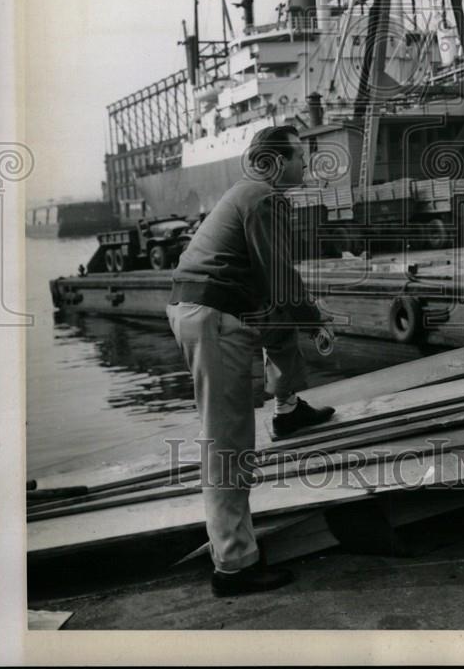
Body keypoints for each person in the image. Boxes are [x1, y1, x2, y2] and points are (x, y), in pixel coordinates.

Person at [166, 125, 336, 597]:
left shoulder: (251, 193)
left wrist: (298, 314)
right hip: (212, 316)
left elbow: (269, 282)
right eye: (300, 157)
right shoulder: (264, 198)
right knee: (228, 442)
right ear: (277, 162)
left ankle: (288, 410)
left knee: (278, 319)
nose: (307, 165)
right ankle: (234, 566)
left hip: (210, 305)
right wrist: (317, 318)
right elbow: (281, 276)